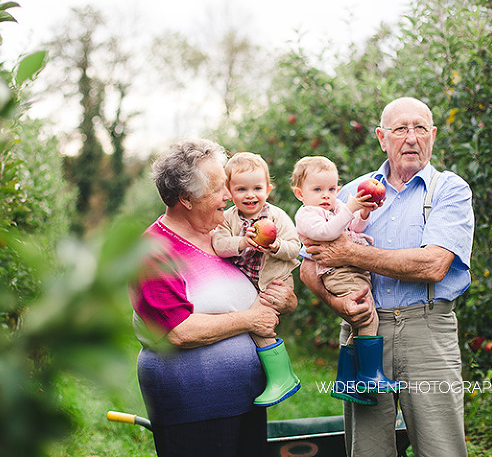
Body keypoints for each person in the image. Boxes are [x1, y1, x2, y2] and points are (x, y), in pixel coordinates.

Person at [301, 97, 475, 457]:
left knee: (440, 447)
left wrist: (351, 253)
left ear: (433, 135)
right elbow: (309, 264)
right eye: (400, 129)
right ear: (382, 138)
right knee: (368, 449)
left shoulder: (450, 190)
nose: (411, 138)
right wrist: (338, 303)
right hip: (364, 328)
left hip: (428, 330)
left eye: (420, 128)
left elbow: (433, 265)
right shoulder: (350, 194)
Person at [130, 138, 297, 457]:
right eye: (218, 188)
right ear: (185, 198)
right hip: (193, 404)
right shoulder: (153, 252)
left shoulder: (225, 236)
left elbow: (262, 295)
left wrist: (285, 301)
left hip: (246, 398)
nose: (228, 195)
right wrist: (251, 319)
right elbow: (177, 332)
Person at [292, 156, 400, 406]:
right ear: (300, 193)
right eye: (317, 189)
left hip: (352, 270)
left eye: (331, 189)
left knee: (357, 325)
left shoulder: (335, 209)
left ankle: (345, 381)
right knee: (368, 316)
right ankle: (369, 375)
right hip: (337, 272)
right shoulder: (307, 214)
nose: (326, 195)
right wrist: (348, 208)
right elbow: (328, 233)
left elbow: (355, 228)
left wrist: (362, 211)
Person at [212, 151, 302, 406]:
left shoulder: (276, 217)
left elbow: (295, 248)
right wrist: (241, 242)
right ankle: (271, 376)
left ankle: (282, 377)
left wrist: (275, 246)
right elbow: (218, 244)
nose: (250, 195)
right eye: (241, 189)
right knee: (251, 326)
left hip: (275, 283)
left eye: (257, 188)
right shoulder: (228, 219)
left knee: (259, 324)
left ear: (268, 189)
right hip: (248, 286)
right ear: (229, 191)